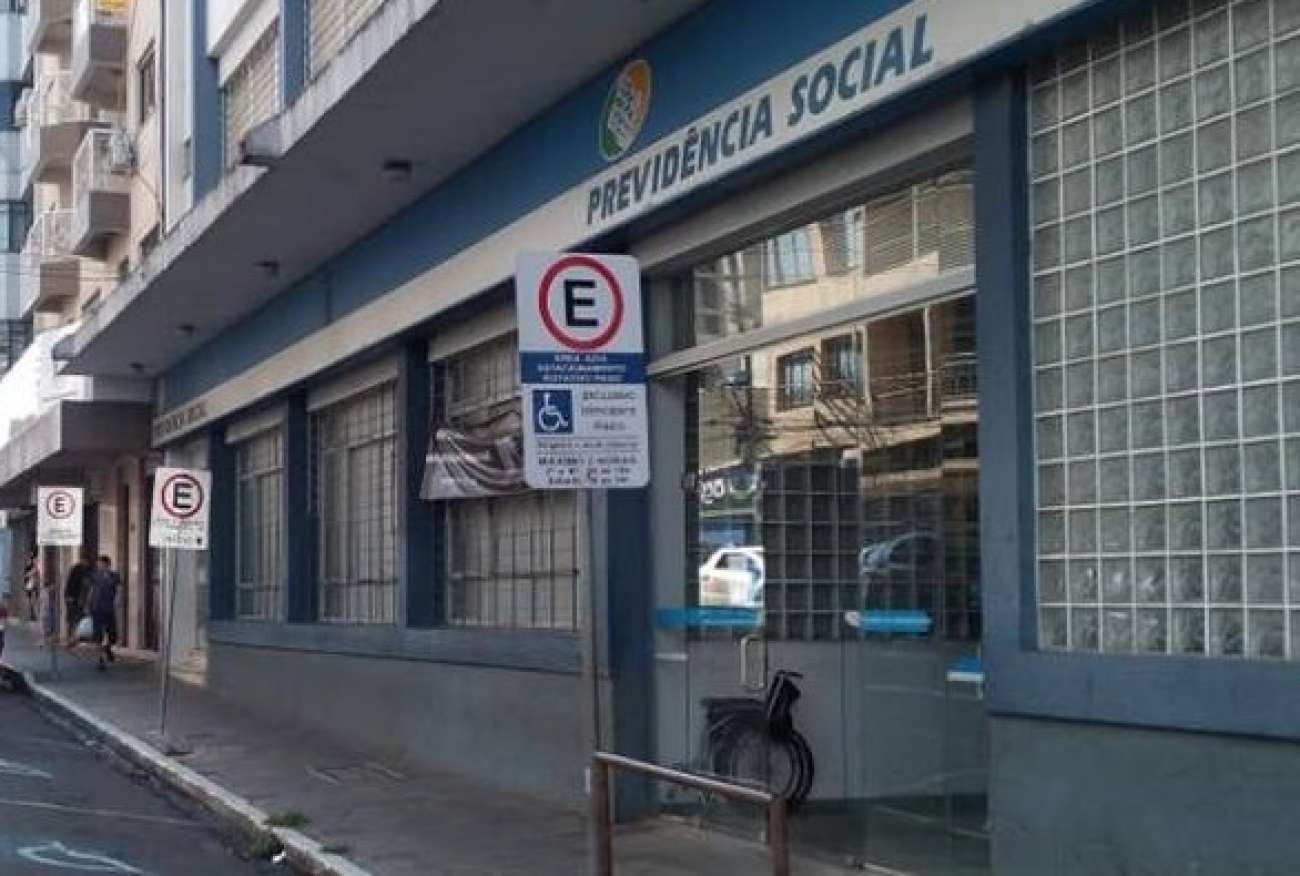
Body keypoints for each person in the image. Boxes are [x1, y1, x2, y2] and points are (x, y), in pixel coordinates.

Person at [85, 555, 120, 670]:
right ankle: (100, 660)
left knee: (113, 635)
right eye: (98, 564)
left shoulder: (114, 576)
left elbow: (118, 590)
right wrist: (88, 605)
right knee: (98, 635)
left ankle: (107, 648)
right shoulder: (94, 576)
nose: (99, 566)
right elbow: (91, 591)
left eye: (101, 564)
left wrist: (117, 601)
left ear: (107, 564)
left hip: (109, 608)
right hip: (96, 608)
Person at [63, 556, 90, 647]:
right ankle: (71, 638)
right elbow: (72, 585)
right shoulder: (77, 571)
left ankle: (73, 638)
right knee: (73, 619)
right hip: (73, 599)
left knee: (75, 619)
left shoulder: (82, 571)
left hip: (76, 600)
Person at [22, 552, 39, 622]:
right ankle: (32, 615)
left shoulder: (34, 566)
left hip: (33, 586)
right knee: (31, 601)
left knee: (33, 601)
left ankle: (33, 615)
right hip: (30, 586)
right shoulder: (29, 567)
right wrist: (32, 573)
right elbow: (26, 575)